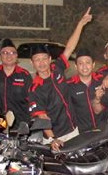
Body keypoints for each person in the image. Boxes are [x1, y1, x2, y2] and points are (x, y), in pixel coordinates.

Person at [28, 8, 91, 149]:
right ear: (32, 63)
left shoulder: (57, 68)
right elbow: (42, 117)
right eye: (37, 60)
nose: (41, 63)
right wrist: (52, 139)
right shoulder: (34, 89)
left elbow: (69, 48)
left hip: (74, 130)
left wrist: (81, 24)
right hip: (56, 138)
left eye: (44, 58)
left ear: (50, 59)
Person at [65, 49, 108, 133]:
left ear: (93, 64)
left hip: (104, 129)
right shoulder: (69, 85)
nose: (84, 67)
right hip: (82, 132)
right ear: (76, 66)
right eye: (80, 63)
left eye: (88, 62)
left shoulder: (102, 80)